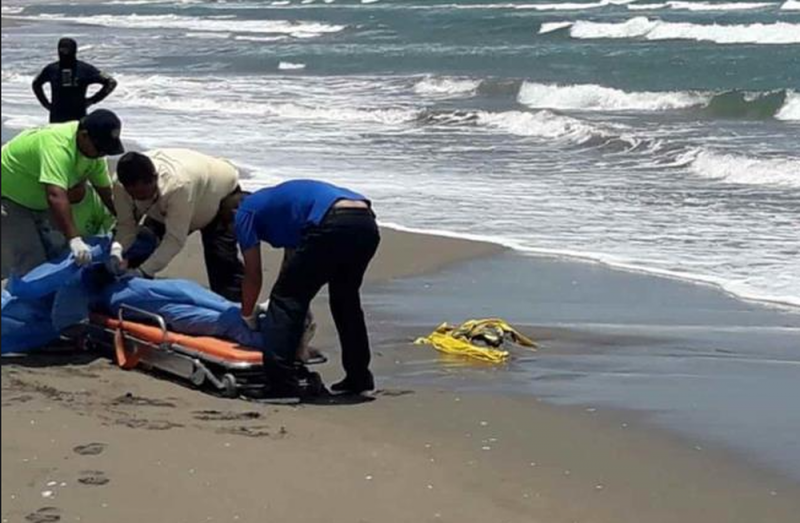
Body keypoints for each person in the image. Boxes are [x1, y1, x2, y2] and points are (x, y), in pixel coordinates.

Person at [223, 180, 380, 397]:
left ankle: (281, 385)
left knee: (286, 299)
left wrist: (248, 314)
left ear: (233, 213)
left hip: (331, 220)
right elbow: (293, 262)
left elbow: (253, 274)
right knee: (345, 300)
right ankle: (359, 378)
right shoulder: (279, 206)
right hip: (365, 221)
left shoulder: (244, 212)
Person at [1, 109, 124, 279]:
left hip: (39, 201)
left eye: (106, 150)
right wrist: (75, 239)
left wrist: (125, 221)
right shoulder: (57, 146)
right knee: (30, 260)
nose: (102, 154)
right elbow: (55, 195)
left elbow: (106, 192)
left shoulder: (95, 155)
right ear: (83, 135)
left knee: (59, 254)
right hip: (9, 197)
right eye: (100, 148)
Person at [112, 149, 244, 302]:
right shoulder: (120, 184)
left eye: (144, 195)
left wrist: (143, 271)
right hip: (168, 202)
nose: (141, 199)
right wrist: (117, 251)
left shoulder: (178, 186)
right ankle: (135, 297)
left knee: (221, 260)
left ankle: (237, 310)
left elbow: (174, 240)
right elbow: (126, 225)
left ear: (155, 178)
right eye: (135, 196)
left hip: (219, 194)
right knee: (143, 244)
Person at [32, 38, 118, 124]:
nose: (64, 52)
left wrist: (92, 100)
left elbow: (111, 82)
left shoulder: (85, 69)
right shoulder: (51, 69)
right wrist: (46, 104)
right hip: (56, 121)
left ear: (74, 50)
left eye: (67, 49)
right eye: (62, 49)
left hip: (78, 120)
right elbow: (36, 84)